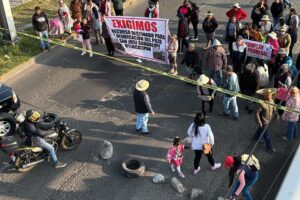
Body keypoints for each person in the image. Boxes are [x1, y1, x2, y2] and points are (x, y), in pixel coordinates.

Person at [253, 88, 277, 153]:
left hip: (268, 120)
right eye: (267, 95)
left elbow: (274, 107)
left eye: (270, 95)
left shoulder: (271, 100)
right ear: (264, 96)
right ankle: (269, 148)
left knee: (260, 129)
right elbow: (256, 113)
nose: (269, 96)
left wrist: (276, 115)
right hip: (264, 121)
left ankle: (255, 137)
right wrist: (259, 122)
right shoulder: (261, 103)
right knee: (266, 136)